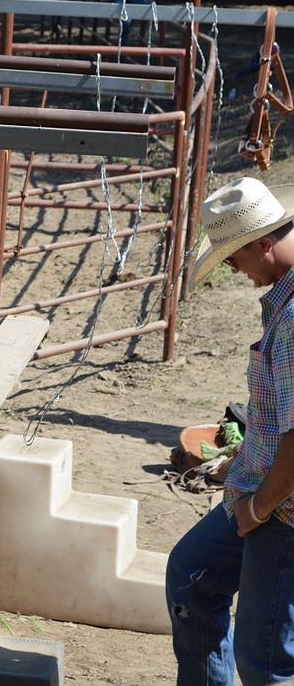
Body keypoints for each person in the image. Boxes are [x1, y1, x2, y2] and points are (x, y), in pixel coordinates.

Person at [166, 176, 294, 685]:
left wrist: (257, 508)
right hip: (262, 491)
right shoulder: (284, 303)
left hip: (279, 507)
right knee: (191, 577)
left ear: (262, 243)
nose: (234, 269)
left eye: (233, 257)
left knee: (266, 661)